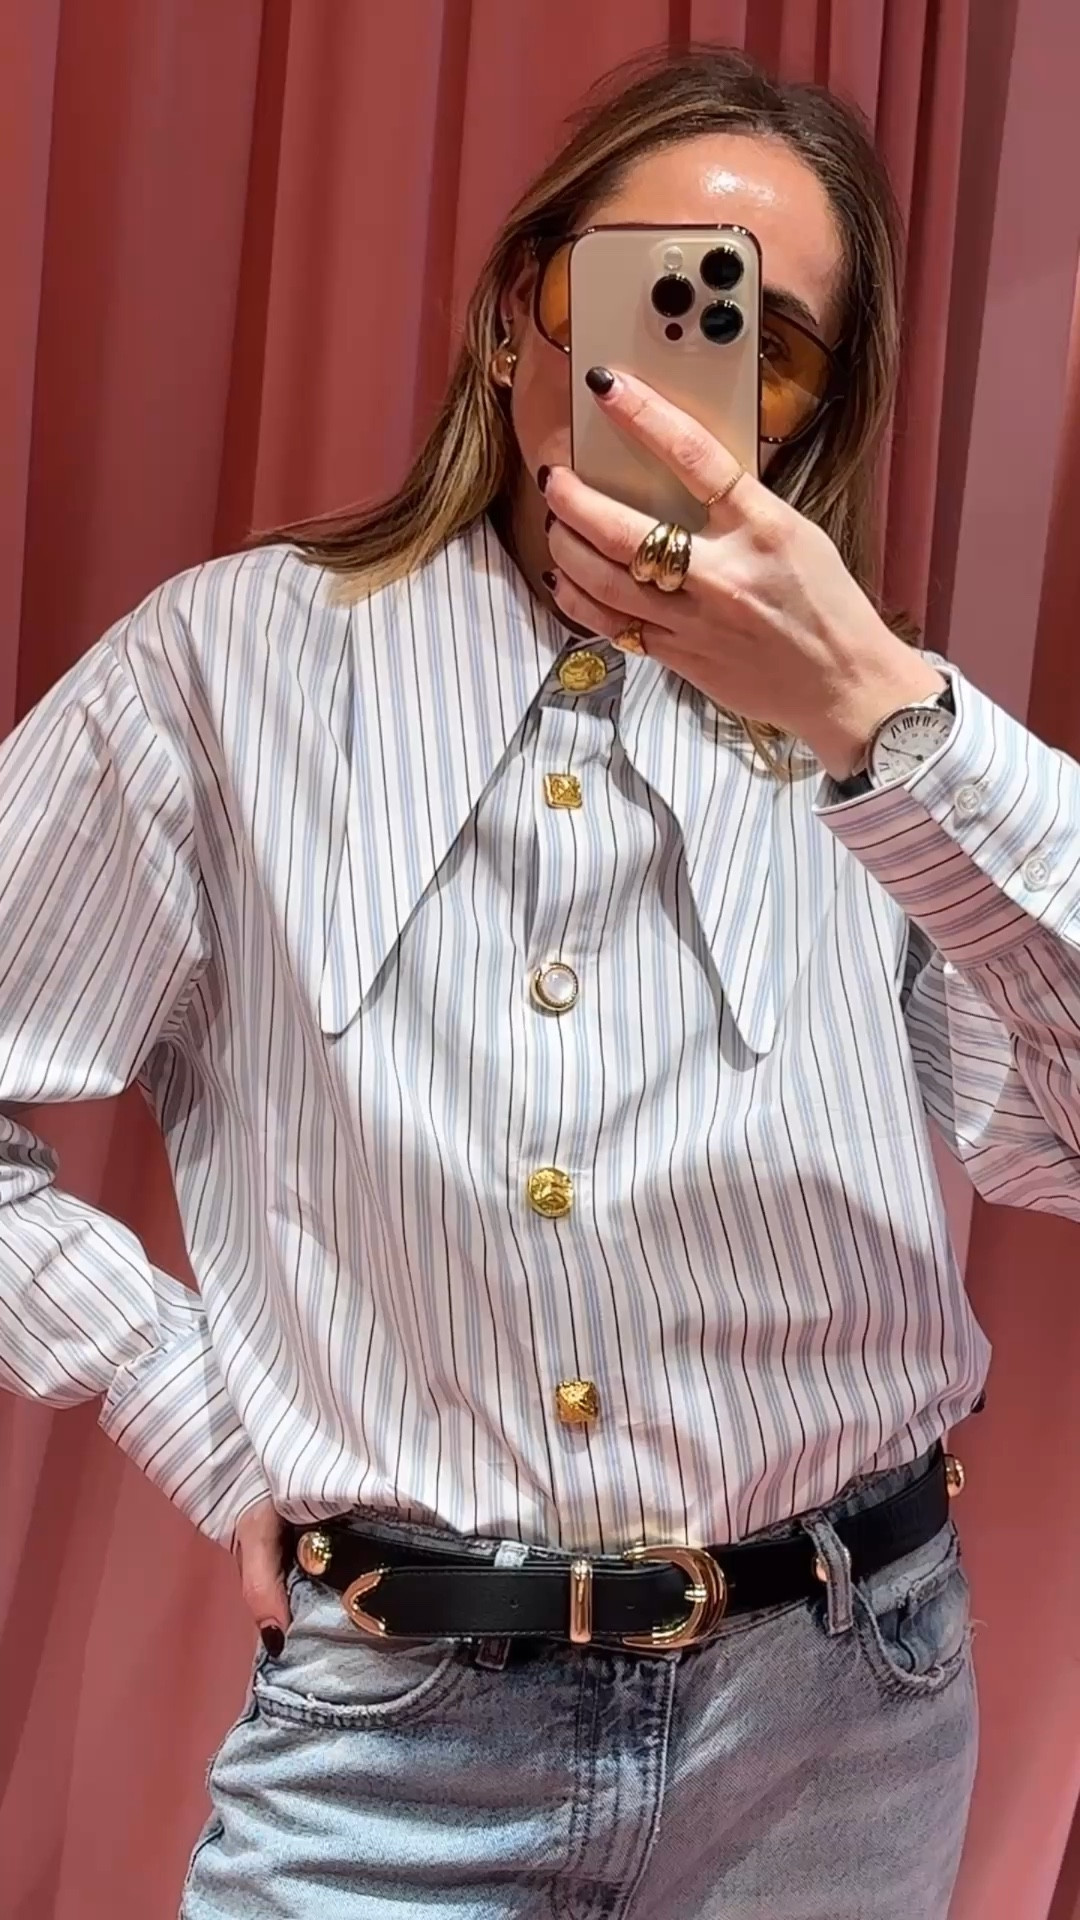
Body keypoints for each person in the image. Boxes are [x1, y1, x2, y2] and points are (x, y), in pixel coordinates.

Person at [2, 42, 1078, 1920]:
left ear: (808, 411)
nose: (673, 374)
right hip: (390, 1745)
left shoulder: (885, 743)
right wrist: (194, 1409)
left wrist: (885, 722)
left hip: (843, 1724)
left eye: (759, 340)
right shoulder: (225, 673)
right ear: (518, 311)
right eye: (642, 292)